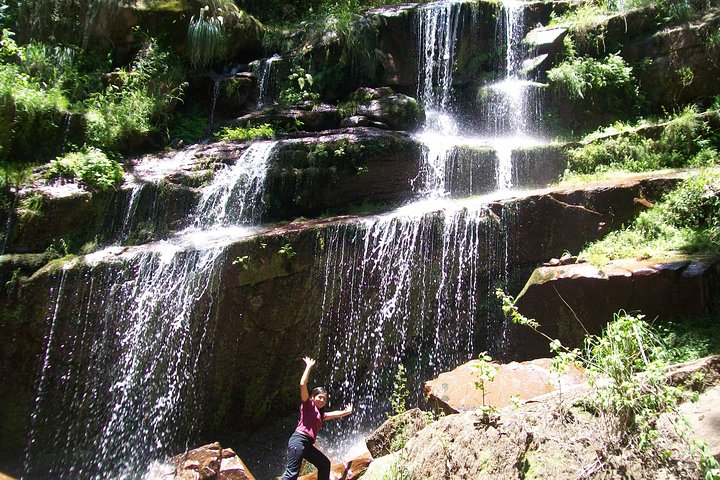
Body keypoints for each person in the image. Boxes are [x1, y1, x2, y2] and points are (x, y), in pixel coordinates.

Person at [280, 356, 354, 480]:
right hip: (299, 440)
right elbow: (303, 384)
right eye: (319, 397)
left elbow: (334, 414)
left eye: (324, 398)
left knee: (324, 464)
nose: (322, 400)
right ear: (313, 397)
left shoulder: (321, 415)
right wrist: (308, 367)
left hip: (308, 444)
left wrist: (347, 412)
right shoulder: (308, 405)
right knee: (291, 474)